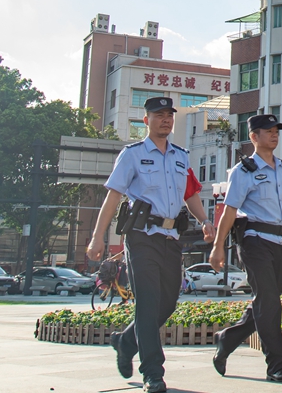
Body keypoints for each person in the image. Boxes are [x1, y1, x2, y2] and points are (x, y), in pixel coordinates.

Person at [86, 96, 214, 393]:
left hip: (171, 237)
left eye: (169, 114)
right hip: (141, 236)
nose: (166, 119)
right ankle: (153, 373)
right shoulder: (131, 155)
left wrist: (205, 220)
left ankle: (125, 341)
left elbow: (189, 193)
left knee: (167, 303)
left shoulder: (181, 155)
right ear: (146, 120)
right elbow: (113, 196)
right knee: (147, 303)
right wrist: (97, 237)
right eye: (158, 115)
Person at [211, 114, 282, 383]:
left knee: (264, 302)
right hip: (254, 241)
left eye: (276, 130)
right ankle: (277, 366)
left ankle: (227, 339)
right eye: (268, 131)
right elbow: (230, 211)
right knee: (270, 303)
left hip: (280, 243)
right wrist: (217, 247)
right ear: (254, 137)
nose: (274, 134)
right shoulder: (242, 171)